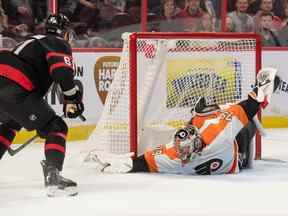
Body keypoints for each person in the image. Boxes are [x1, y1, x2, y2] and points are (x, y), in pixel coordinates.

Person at [86, 67, 280, 175]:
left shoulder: (174, 157)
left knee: (217, 116)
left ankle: (200, 114)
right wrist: (263, 90)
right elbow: (247, 107)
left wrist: (121, 164)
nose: (184, 154)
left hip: (225, 161)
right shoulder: (214, 137)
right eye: (184, 151)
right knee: (247, 125)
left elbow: (142, 162)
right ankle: (202, 114)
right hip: (237, 158)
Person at [0, 13, 84, 197]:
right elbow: (62, 72)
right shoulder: (57, 42)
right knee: (56, 126)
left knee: (10, 124)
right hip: (15, 87)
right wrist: (72, 98)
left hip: (6, 83)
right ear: (64, 32)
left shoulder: (31, 42)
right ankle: (53, 176)